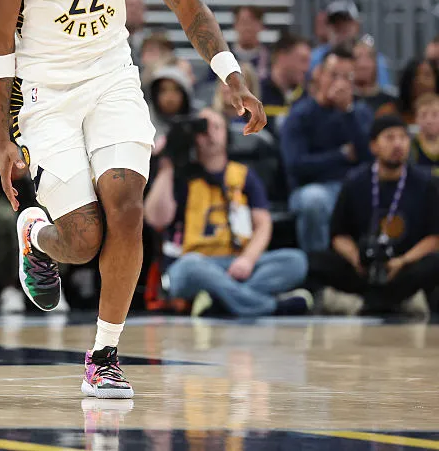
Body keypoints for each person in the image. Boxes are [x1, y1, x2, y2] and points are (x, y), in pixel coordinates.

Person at [0, 0, 267, 399]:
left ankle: (104, 353)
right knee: (84, 238)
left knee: (127, 210)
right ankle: (36, 235)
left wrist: (230, 76)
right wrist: (1, 137)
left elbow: (188, 5)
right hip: (44, 93)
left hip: (112, 78)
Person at [144, 109, 311, 317]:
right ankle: (270, 306)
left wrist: (248, 260)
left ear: (227, 133)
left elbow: (263, 224)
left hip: (236, 261)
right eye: (203, 128)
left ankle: (219, 300)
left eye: (217, 127)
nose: (210, 134)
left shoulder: (244, 175)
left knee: (295, 260)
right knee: (189, 266)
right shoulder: (182, 176)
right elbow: (155, 218)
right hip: (196, 263)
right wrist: (167, 165)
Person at [307, 116, 439, 319]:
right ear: (374, 146)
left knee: (433, 263)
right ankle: (395, 303)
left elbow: (434, 238)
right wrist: (355, 258)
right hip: (362, 268)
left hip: (405, 267)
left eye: (403, 138)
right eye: (389, 138)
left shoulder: (426, 183)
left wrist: (403, 261)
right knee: (312, 261)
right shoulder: (355, 181)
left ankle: (368, 303)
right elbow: (339, 235)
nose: (398, 144)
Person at [281, 45, 373, 253]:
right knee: (315, 200)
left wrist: (348, 113)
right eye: (333, 75)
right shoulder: (300, 114)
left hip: (352, 187)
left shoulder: (360, 113)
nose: (339, 83)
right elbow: (295, 165)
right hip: (312, 187)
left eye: (346, 77)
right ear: (319, 75)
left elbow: (370, 159)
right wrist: (341, 155)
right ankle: (320, 270)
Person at [410, 93, 439, 177]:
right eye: (423, 115)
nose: (429, 121)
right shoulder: (410, 145)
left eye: (435, 115)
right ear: (416, 119)